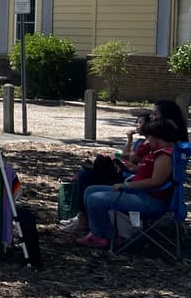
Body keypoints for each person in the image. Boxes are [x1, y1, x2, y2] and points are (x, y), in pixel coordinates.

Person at [61, 100, 188, 231]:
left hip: (143, 192)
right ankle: (89, 222)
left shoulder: (165, 150)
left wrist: (127, 184)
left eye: (154, 115)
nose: (150, 118)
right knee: (89, 180)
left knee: (89, 181)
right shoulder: (158, 143)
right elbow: (143, 165)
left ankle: (97, 230)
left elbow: (156, 179)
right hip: (135, 182)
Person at [78, 115, 181, 248]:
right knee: (90, 190)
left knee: (95, 199)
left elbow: (156, 181)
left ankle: (105, 237)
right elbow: (146, 171)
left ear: (158, 137)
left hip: (150, 201)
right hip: (140, 193)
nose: (148, 139)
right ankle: (97, 232)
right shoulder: (157, 151)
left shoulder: (165, 155)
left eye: (150, 136)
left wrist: (127, 185)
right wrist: (132, 169)